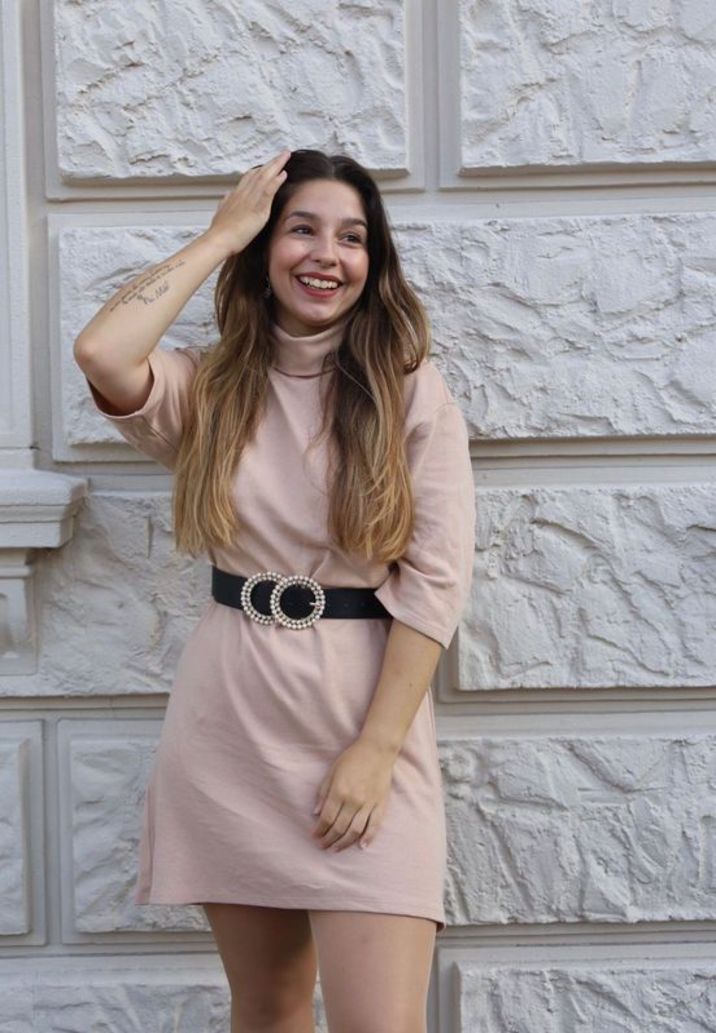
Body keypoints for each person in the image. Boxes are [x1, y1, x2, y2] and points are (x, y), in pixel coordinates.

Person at [73, 148, 476, 1033]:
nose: (327, 254)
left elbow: (436, 583)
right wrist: (220, 236)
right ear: (265, 249)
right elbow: (102, 351)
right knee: (267, 1009)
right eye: (302, 230)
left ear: (374, 261)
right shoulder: (210, 387)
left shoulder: (409, 390)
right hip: (232, 726)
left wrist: (375, 750)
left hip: (363, 723)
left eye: (352, 237)